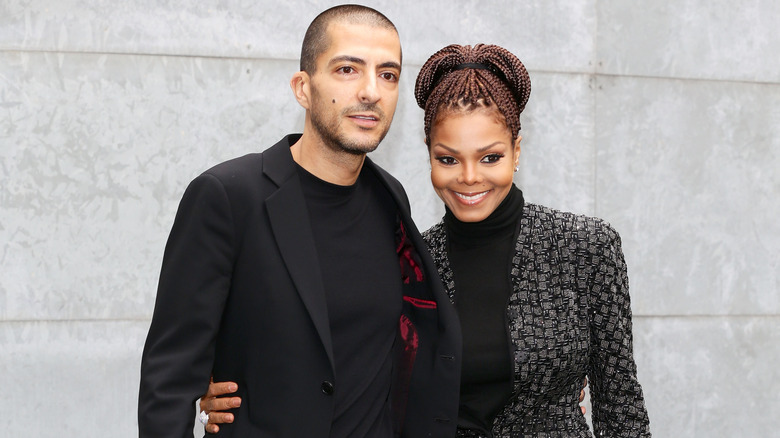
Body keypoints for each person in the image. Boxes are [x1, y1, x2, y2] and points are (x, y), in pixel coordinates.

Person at [203, 43, 651, 437]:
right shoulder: (411, 254)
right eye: (448, 158)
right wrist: (228, 384)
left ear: (518, 151)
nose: (470, 178)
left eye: (490, 156)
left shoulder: (586, 248)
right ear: (429, 156)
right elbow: (341, 351)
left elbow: (622, 409)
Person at [137, 5, 461, 438]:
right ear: (303, 88)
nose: (371, 91)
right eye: (348, 69)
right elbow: (169, 379)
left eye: (388, 74)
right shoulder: (228, 196)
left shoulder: (391, 198)